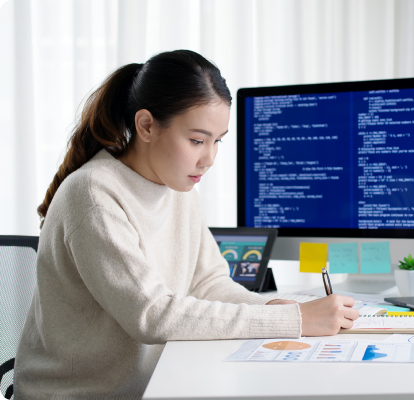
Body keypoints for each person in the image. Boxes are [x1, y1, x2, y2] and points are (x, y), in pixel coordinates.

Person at [14, 50, 359, 399]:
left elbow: (208, 284)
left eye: (217, 140)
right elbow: (152, 315)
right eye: (196, 140)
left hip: (153, 386)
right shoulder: (92, 194)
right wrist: (295, 321)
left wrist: (274, 309)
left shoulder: (177, 184)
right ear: (146, 125)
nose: (209, 158)